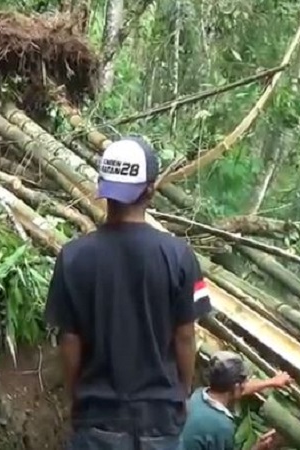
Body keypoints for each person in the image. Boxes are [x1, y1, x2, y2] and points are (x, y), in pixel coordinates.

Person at [44, 136, 213, 450]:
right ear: (150, 189)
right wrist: (182, 394)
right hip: (160, 418)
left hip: (98, 417)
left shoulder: (73, 257)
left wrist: (77, 399)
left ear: (103, 188)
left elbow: (69, 342)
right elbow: (185, 336)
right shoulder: (178, 256)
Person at [180, 351, 291, 450]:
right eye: (244, 381)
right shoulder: (222, 426)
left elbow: (239, 389)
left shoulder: (198, 395)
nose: (246, 384)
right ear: (236, 387)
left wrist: (272, 382)